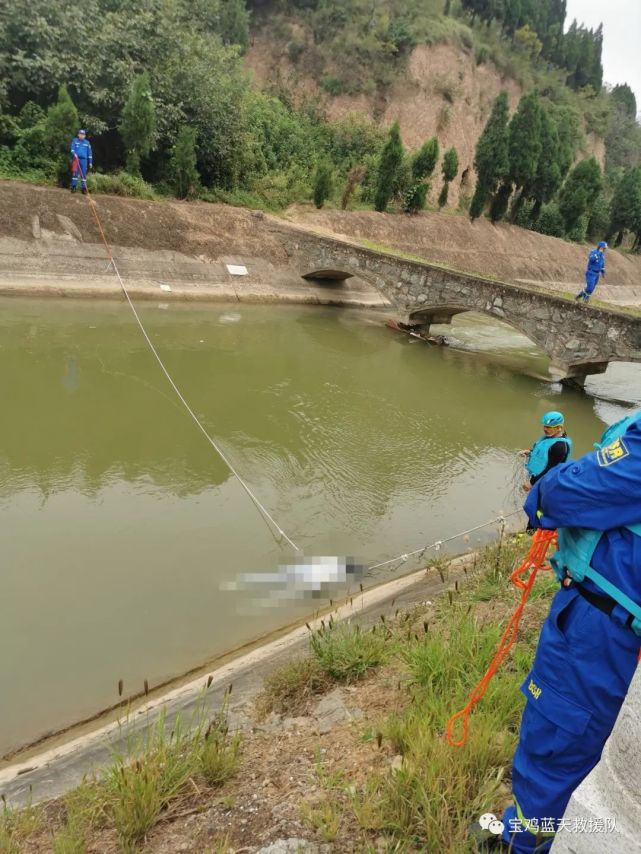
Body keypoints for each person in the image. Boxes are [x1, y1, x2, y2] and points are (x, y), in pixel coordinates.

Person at [501, 411, 641, 853]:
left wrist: (544, 487)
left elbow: (570, 494)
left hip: (604, 626)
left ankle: (524, 841)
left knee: (556, 738)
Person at [520, 411, 572, 494]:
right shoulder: (551, 437)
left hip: (546, 482)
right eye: (544, 426)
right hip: (537, 477)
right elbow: (545, 453)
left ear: (559, 428)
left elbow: (551, 469)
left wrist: (531, 482)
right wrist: (530, 452)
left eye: (548, 427)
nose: (545, 429)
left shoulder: (560, 447)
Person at [70, 129, 93, 194]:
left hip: (84, 160)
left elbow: (90, 153)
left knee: (83, 174)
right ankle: (73, 187)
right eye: (80, 134)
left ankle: (84, 189)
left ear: (85, 136)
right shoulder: (75, 140)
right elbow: (72, 149)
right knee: (75, 173)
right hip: (76, 159)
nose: (81, 135)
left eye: (83, 134)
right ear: (78, 135)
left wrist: (90, 162)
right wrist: (74, 154)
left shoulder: (87, 143)